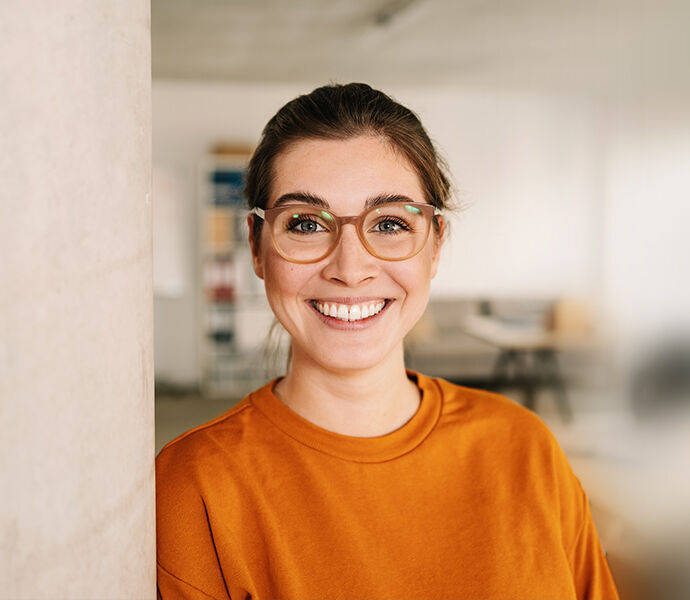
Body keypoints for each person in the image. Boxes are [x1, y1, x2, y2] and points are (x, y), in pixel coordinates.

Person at [156, 83, 619, 599]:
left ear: (436, 245)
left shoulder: (526, 450)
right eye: (306, 224)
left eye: (391, 223)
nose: (351, 269)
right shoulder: (193, 489)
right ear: (258, 248)